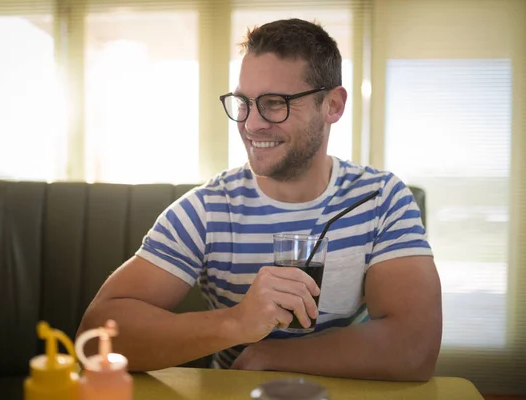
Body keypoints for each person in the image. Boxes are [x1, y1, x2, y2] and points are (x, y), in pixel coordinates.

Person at [77, 18, 442, 382]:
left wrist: (271, 354)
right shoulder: (207, 210)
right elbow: (96, 340)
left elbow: (414, 349)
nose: (251, 124)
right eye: (243, 103)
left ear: (332, 105)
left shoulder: (380, 199)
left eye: (274, 103)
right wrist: (236, 322)